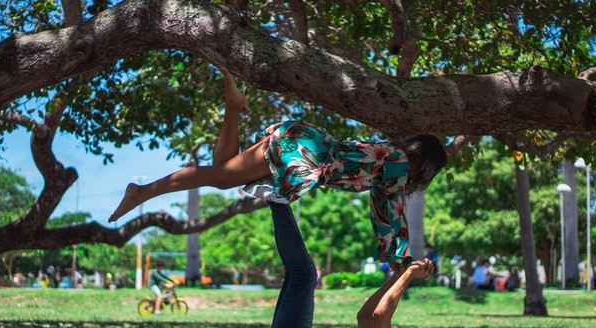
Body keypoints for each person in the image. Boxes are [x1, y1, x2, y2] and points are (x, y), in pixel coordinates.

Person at [109, 68, 448, 265]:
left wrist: (394, 255)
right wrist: (400, 259)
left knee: (224, 174)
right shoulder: (399, 166)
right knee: (220, 175)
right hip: (304, 155)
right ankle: (142, 191)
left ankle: (234, 106)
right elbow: (389, 213)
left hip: (303, 141)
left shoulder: (392, 156)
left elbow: (382, 207)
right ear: (427, 166)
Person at [262, 201, 451, 328]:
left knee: (304, 275)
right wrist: (398, 276)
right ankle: (277, 198)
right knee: (300, 275)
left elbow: (381, 315)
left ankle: (277, 196)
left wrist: (408, 275)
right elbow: (366, 316)